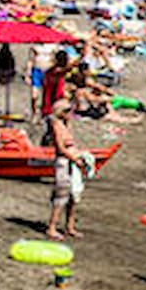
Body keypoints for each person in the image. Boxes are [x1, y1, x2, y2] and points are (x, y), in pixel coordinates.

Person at [46, 99, 88, 240]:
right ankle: (52, 227)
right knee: (61, 196)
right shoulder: (56, 125)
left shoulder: (64, 125)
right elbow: (60, 148)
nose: (71, 113)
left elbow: (70, 141)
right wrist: (74, 158)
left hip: (71, 161)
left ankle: (69, 226)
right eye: (69, 111)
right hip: (64, 163)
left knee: (73, 197)